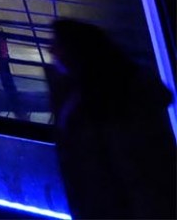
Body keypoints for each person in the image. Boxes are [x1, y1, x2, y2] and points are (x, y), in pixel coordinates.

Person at [48, 18, 177, 218]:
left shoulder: (95, 98)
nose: (51, 50)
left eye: (57, 43)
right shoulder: (89, 91)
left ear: (76, 50)